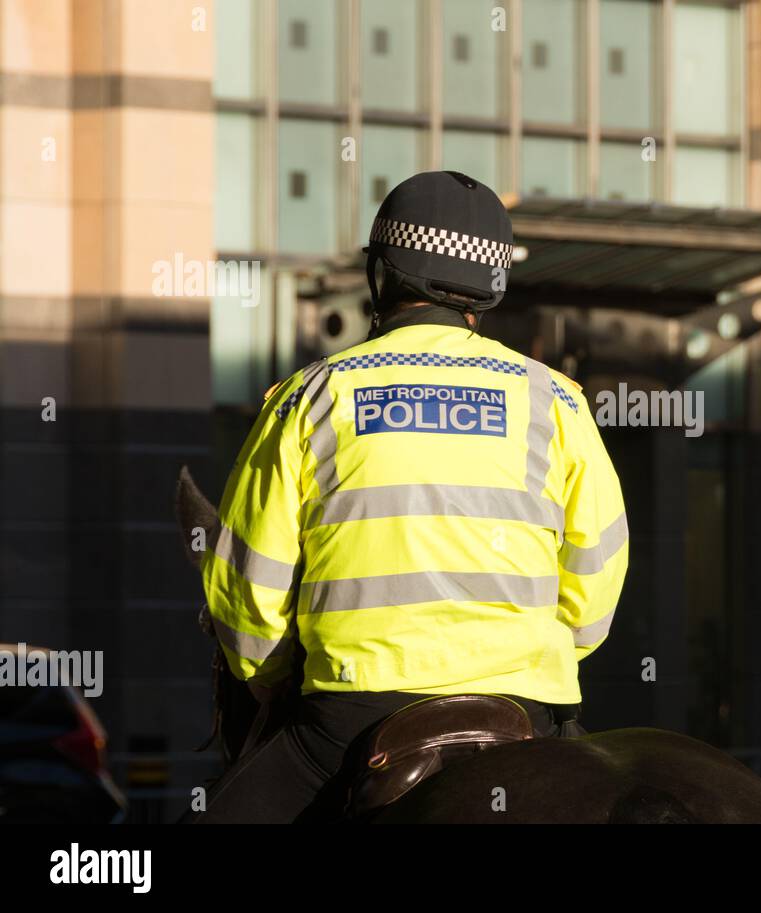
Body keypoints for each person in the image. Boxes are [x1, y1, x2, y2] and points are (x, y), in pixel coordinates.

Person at [189, 171, 629, 823]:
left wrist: (273, 675)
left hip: (350, 722)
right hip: (530, 713)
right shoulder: (556, 401)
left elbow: (248, 604)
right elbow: (593, 597)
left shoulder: (311, 398)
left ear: (382, 275)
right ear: (489, 288)